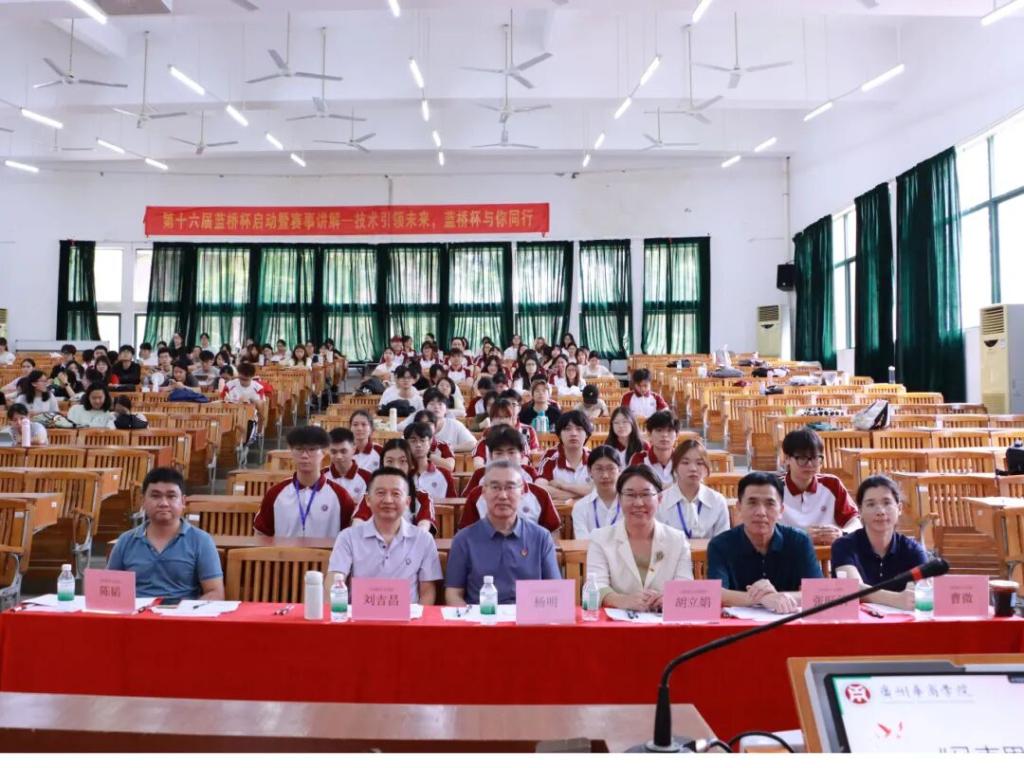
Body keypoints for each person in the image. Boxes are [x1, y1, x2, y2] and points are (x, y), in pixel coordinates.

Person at [445, 459, 561, 606]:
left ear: (522, 492)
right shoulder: (463, 539)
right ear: (483, 492)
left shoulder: (541, 537)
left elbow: (554, 592)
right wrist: (469, 617)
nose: (503, 496)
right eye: (495, 487)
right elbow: (453, 593)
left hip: (528, 617)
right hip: (481, 616)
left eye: (510, 487)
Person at [707, 471, 823, 614]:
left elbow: (817, 592)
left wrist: (780, 598)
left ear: (781, 510)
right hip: (738, 624)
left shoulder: (799, 541)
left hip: (789, 621)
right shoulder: (720, 545)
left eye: (769, 504)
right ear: (739, 507)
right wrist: (762, 599)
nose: (761, 512)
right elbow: (717, 593)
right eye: (752, 503)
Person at [327, 467, 442, 605]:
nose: (388, 500)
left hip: (408, 617)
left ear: (407, 502)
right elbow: (333, 582)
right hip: (360, 616)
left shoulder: (423, 539)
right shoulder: (348, 537)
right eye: (380, 493)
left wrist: (419, 618)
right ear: (368, 500)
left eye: (396, 493)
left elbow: (427, 592)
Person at [107, 467, 224, 600]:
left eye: (171, 496)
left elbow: (215, 593)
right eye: (155, 496)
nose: (163, 503)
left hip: (181, 611)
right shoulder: (126, 541)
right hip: (136, 611)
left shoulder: (201, 541)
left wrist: (187, 611)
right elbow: (109, 589)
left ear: (183, 501)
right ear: (143, 501)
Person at [586, 465, 693, 610]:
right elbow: (597, 584)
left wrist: (669, 598)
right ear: (619, 499)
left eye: (646, 494)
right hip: (618, 619)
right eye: (630, 495)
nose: (638, 503)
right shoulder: (600, 538)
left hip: (664, 618)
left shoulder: (677, 540)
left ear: (659, 498)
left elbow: (685, 584)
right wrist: (622, 600)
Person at [831, 475, 928, 609]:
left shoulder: (913, 550)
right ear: (860, 511)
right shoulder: (843, 545)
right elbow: (852, 588)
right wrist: (896, 599)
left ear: (899, 508)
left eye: (887, 503)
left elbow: (925, 590)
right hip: (857, 621)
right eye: (871, 504)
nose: (880, 511)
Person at [254, 426, 356, 537]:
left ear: (324, 451)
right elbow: (261, 534)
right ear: (291, 451)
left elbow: (351, 537)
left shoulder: (341, 496)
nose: (304, 456)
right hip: (284, 549)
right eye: (299, 449)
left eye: (311, 449)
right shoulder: (275, 493)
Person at [459, 431, 560, 535]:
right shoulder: (476, 495)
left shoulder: (540, 495)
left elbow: (553, 534)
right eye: (499, 453)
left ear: (521, 455)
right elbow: (466, 536)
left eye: (511, 452)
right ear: (490, 457)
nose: (505, 458)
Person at [780, 429, 860, 545]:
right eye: (802, 458)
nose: (809, 464)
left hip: (828, 553)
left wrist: (842, 533)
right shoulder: (774, 488)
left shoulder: (832, 484)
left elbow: (855, 522)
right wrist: (801, 537)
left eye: (815, 458)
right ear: (787, 458)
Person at [352, 439, 436, 531]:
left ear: (411, 465)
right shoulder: (371, 496)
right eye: (390, 461)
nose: (396, 467)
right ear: (382, 464)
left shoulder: (423, 497)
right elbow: (357, 525)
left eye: (402, 461)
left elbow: (423, 529)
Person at [657, 439, 730, 539]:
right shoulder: (660, 501)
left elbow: (723, 542)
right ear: (675, 467)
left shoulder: (718, 501)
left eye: (699, 463)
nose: (693, 468)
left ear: (706, 468)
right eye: (685, 463)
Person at [537, 410, 593, 501]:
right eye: (567, 429)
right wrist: (583, 493)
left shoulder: (594, 458)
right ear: (559, 434)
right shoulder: (550, 457)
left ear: (587, 434)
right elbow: (539, 488)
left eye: (579, 429)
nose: (573, 433)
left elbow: (601, 490)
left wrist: (563, 485)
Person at [571, 446, 622, 540]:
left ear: (619, 470)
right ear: (589, 471)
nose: (605, 475)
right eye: (599, 469)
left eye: (610, 468)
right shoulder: (580, 507)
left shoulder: (630, 504)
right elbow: (582, 542)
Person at [404, 421, 458, 501]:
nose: (418, 444)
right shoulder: (401, 473)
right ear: (406, 444)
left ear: (430, 443)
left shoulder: (444, 474)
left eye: (422, 440)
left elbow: (452, 504)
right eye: (413, 441)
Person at [323, 428, 373, 506]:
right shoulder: (321, 475)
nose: (339, 456)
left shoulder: (368, 477)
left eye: (343, 451)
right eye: (333, 452)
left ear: (353, 449)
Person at [628, 409, 678, 486]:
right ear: (649, 434)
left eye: (669, 430)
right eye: (659, 430)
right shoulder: (639, 459)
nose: (664, 435)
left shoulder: (683, 460)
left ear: (677, 435)